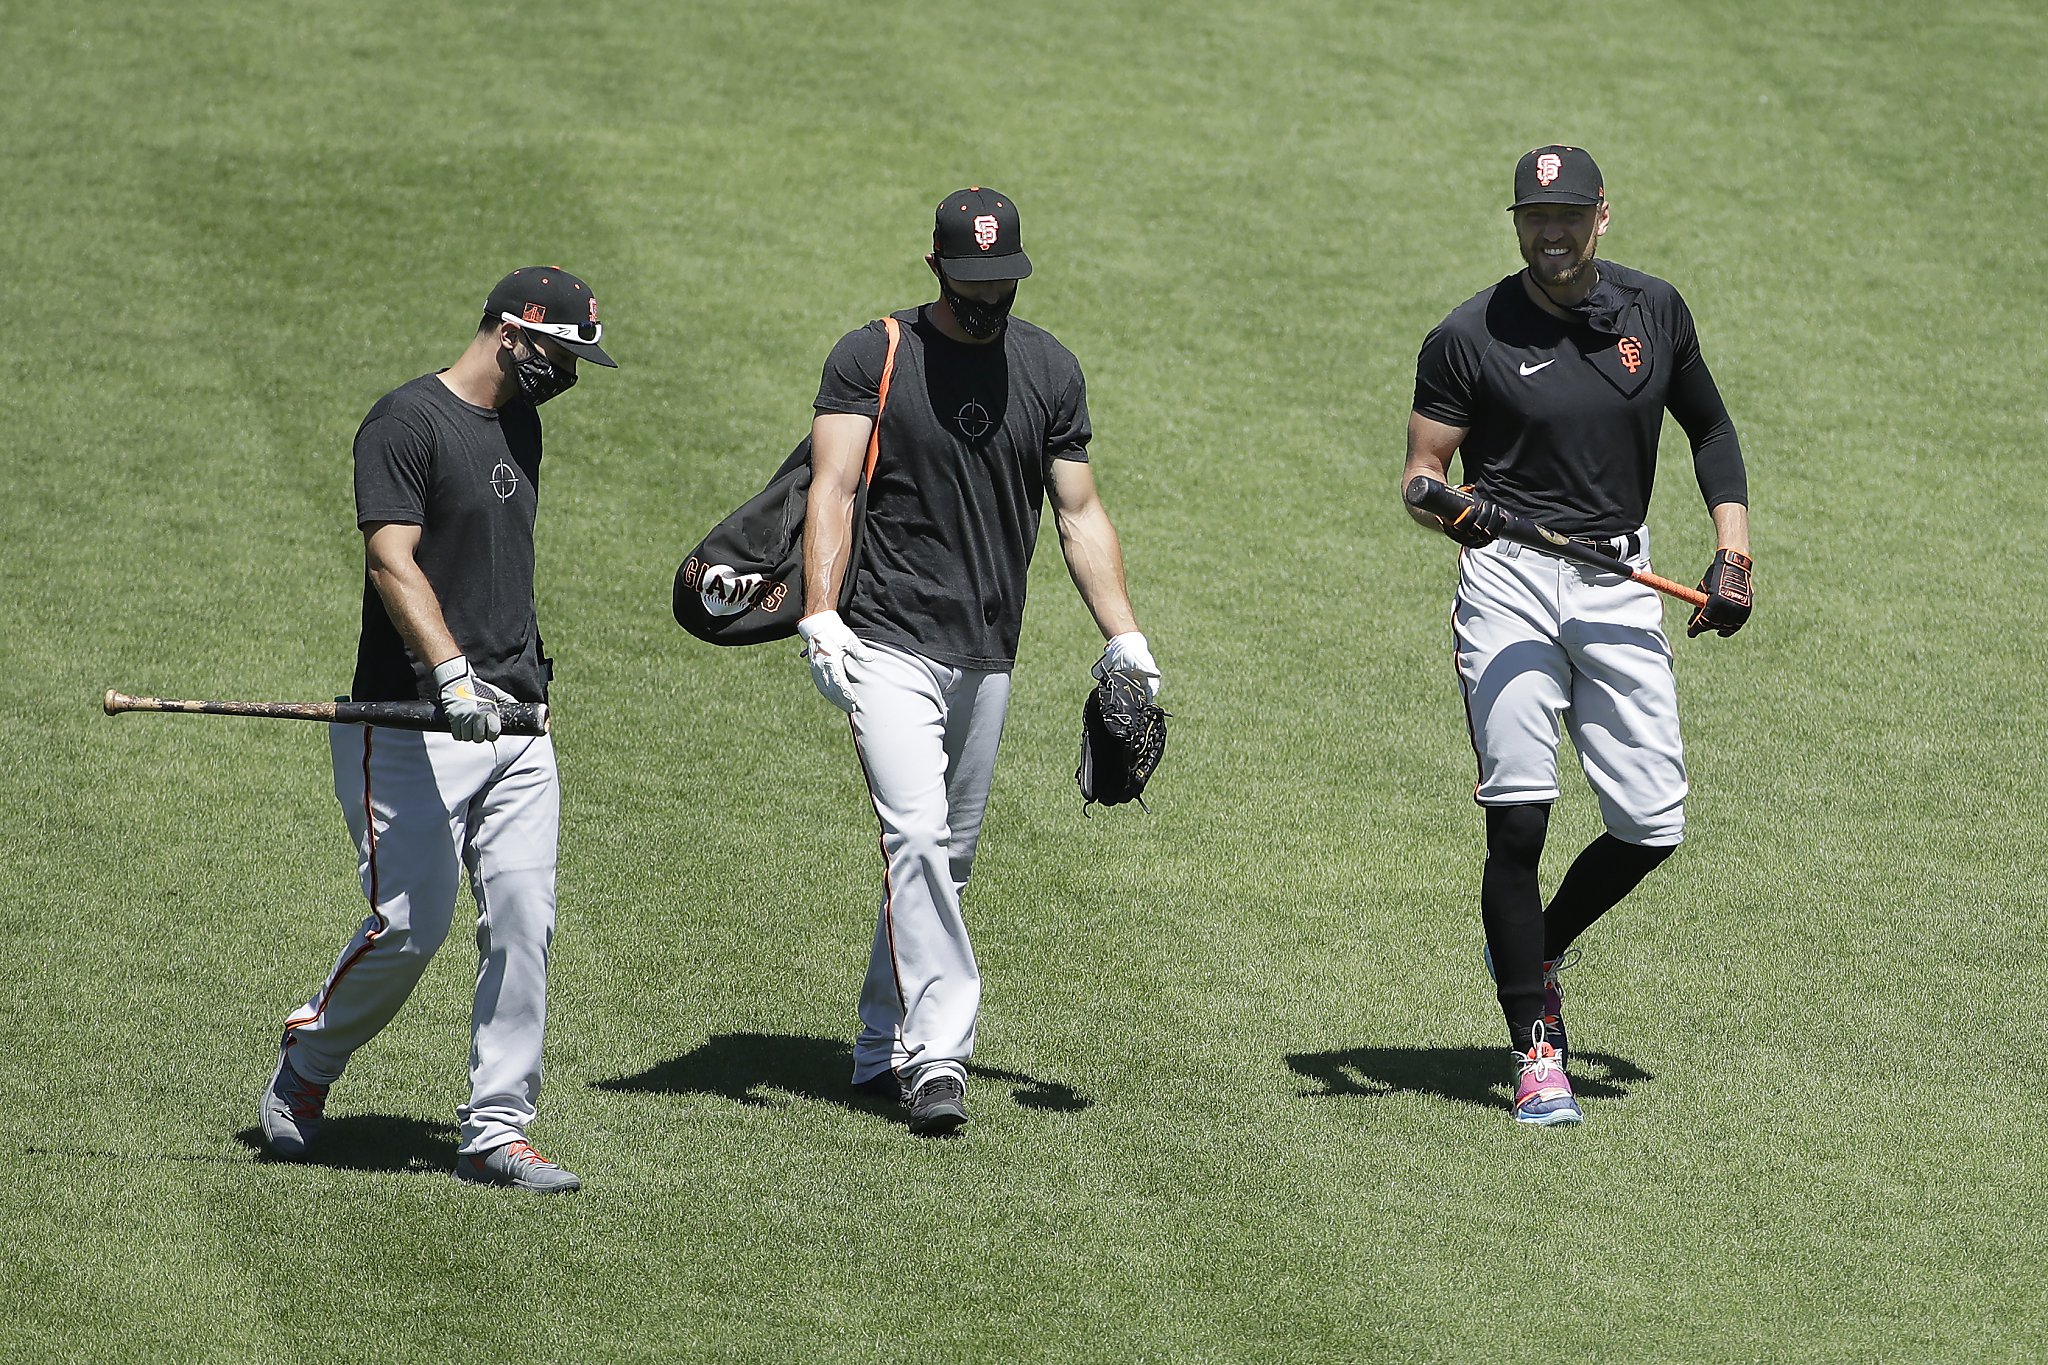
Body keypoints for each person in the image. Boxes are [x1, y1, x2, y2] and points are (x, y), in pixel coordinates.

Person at [1400, 146, 1753, 1126]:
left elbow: (1711, 431)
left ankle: (1533, 943)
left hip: (1615, 579)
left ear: (1600, 216)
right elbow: (1419, 475)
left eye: (1566, 217)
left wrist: (1733, 555)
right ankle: (1533, 1046)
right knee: (1517, 813)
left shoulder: (1654, 312)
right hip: (1507, 581)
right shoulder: (1466, 335)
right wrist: (1452, 511)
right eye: (1531, 218)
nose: (1548, 234)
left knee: (1651, 822)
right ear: (1516, 223)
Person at [796, 187, 1158, 1136]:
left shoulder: (1047, 369)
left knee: (945, 861)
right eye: (969, 280)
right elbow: (831, 488)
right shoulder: (872, 355)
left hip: (990, 647)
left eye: (1001, 280)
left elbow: (1078, 513)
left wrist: (1124, 635)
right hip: (883, 637)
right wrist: (824, 614)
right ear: (935, 270)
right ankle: (939, 1059)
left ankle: (879, 1044)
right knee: (913, 836)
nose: (986, 297)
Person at [258, 267, 616, 1189]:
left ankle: (498, 1126)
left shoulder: (521, 425)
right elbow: (392, 558)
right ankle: (305, 1068)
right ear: (511, 332)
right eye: (561, 353)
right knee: (410, 927)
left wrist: (520, 675)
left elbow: (501, 565)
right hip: (409, 724)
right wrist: (453, 674)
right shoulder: (404, 422)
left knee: (525, 922)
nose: (568, 374)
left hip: (518, 722)